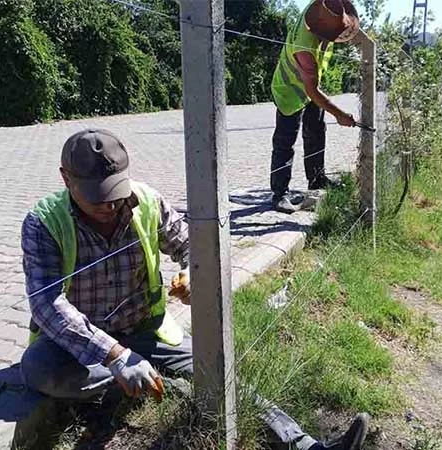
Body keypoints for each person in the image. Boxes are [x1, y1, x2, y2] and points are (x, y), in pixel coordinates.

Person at [19, 129, 371, 449]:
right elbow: (48, 305)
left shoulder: (146, 202)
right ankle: (147, 384)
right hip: (81, 346)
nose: (110, 206)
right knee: (38, 369)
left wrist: (193, 273)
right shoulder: (43, 224)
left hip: (145, 330)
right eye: (97, 198)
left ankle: (306, 446)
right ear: (66, 179)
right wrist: (115, 356)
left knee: (215, 371)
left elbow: (193, 245)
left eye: (115, 192)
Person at [270, 0, 362, 213]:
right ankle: (280, 194)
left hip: (310, 85)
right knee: (285, 141)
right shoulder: (305, 47)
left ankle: (317, 179)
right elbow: (311, 90)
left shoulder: (321, 10)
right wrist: (339, 114)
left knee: (316, 131)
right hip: (289, 90)